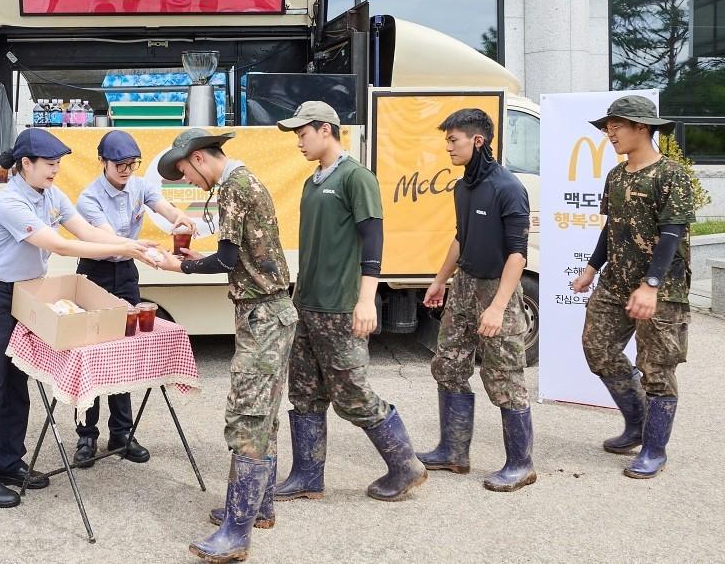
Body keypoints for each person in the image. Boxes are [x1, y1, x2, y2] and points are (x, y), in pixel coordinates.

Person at [0, 127, 156, 509]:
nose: (55, 171)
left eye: (57, 165)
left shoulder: (50, 194)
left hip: (25, 297)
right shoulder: (10, 203)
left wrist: (128, 245)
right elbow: (61, 244)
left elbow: (83, 229)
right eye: (49, 165)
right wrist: (129, 246)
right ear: (25, 165)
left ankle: (9, 462)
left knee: (17, 385)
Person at [155, 128, 297, 563]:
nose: (189, 182)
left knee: (248, 416)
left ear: (198, 158)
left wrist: (182, 266)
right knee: (265, 415)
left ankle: (236, 533)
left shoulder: (232, 187)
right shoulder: (242, 181)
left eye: (184, 172)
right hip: (272, 311)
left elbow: (226, 260)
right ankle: (259, 508)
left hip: (263, 316)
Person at [275, 101, 427, 504]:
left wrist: (367, 300)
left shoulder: (356, 177)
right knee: (304, 393)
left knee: (353, 393)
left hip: (341, 307)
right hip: (306, 305)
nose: (299, 142)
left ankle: (405, 465)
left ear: (325, 129)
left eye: (302, 133)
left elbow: (373, 240)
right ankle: (307, 476)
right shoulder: (312, 182)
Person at [572, 96, 694, 479]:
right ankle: (637, 424)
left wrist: (651, 285)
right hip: (615, 281)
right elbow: (612, 227)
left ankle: (654, 449)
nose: (610, 134)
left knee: (657, 367)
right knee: (598, 347)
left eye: (617, 126)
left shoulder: (672, 174)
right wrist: (592, 268)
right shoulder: (617, 175)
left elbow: (672, 234)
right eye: (608, 127)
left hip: (660, 287)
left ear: (643, 128)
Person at [417, 108, 534, 492]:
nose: (448, 147)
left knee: (503, 375)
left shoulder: (509, 188)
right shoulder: (463, 186)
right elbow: (460, 237)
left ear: (477, 140)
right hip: (464, 285)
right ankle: (453, 452)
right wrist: (439, 281)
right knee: (448, 364)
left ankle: (521, 464)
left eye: (453, 140)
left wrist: (499, 306)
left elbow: (518, 253)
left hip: (497, 288)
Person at [71, 130, 195, 467]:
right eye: (120, 164)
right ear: (103, 163)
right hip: (96, 272)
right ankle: (86, 435)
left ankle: (122, 432)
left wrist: (179, 218)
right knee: (92, 351)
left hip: (126, 273)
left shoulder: (139, 185)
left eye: (132, 164)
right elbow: (109, 239)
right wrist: (144, 251)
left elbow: (161, 205)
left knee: (125, 349)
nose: (127, 170)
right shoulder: (89, 198)